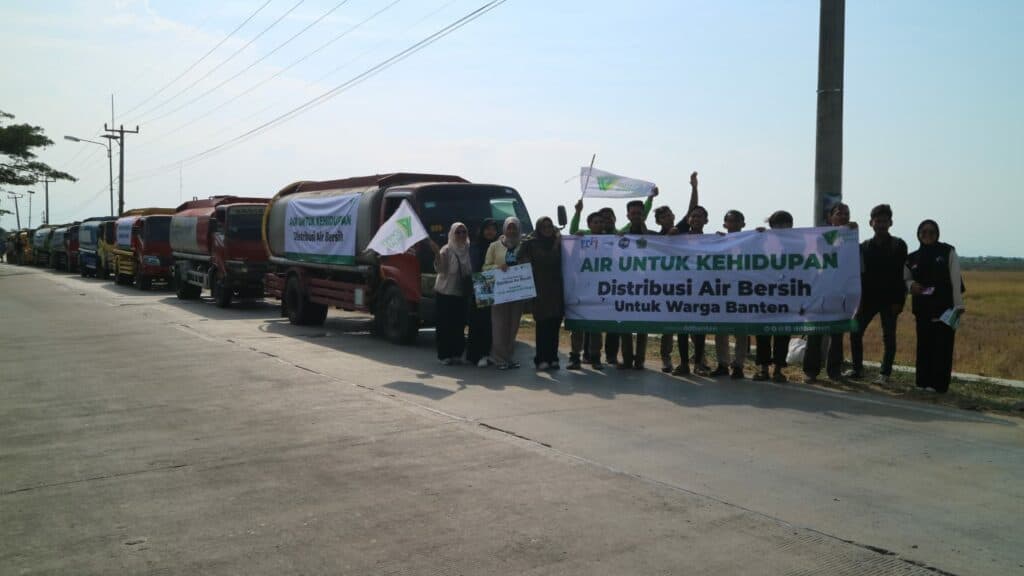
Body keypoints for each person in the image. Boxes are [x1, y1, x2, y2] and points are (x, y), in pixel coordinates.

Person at [844, 204, 908, 384]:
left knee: (889, 337)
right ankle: (857, 369)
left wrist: (900, 301)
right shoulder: (863, 247)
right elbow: (858, 275)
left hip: (890, 300)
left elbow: (901, 276)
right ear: (871, 223)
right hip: (868, 299)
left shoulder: (898, 245)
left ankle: (885, 374)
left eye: (884, 221)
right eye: (878, 221)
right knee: (855, 332)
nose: (881, 224)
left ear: (891, 223)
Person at [905, 219, 964, 393]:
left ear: (937, 234)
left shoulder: (947, 251)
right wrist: (910, 286)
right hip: (922, 309)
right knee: (924, 345)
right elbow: (905, 278)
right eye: (924, 232)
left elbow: (955, 279)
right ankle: (922, 382)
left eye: (932, 232)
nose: (928, 235)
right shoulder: (912, 257)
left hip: (945, 307)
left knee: (942, 347)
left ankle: (939, 385)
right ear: (918, 235)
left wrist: (958, 304)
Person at [803, 202, 858, 383]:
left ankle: (834, 372)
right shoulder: (821, 237)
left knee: (837, 335)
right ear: (830, 218)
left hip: (841, 295)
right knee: (815, 334)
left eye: (846, 214)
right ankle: (811, 372)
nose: (843, 217)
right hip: (820, 292)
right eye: (839, 213)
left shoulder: (851, 239)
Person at [653, 171, 701, 374]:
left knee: (694, 325)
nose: (667, 218)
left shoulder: (681, 228)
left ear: (674, 216)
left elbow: (692, 208)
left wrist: (694, 188)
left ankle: (698, 360)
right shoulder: (655, 237)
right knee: (669, 326)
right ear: (658, 221)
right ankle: (667, 358)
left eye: (669, 214)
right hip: (666, 286)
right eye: (662, 217)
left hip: (688, 284)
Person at [753, 210, 795, 382]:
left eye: (786, 224)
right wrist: (756, 236)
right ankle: (763, 369)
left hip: (787, 294)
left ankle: (778, 369)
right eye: (779, 225)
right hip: (764, 293)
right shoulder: (763, 241)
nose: (782, 228)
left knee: (783, 334)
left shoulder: (797, 242)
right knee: (762, 333)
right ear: (772, 226)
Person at [517, 216, 563, 370]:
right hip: (539, 289)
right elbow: (517, 258)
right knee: (543, 325)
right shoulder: (531, 243)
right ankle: (541, 358)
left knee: (554, 325)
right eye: (544, 227)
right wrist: (524, 243)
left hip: (557, 289)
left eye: (550, 226)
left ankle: (553, 358)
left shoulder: (559, 243)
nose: (547, 229)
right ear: (538, 229)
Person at [712, 209, 750, 378]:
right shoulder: (718, 241)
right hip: (722, 290)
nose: (733, 224)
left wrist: (762, 235)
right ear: (724, 224)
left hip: (743, 291)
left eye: (736, 221)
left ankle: (739, 365)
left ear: (743, 224)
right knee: (720, 331)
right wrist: (714, 241)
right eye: (730, 221)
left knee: (741, 332)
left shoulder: (751, 241)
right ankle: (722, 364)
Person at [484, 217, 525, 370]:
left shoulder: (524, 245)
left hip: (518, 291)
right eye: (509, 228)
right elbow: (485, 267)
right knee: (499, 326)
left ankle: (509, 357)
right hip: (499, 291)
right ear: (505, 229)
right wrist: (498, 266)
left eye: (514, 228)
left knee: (513, 326)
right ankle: (498, 358)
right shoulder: (494, 246)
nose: (512, 231)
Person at [428, 222, 472, 365]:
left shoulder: (469, 249)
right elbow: (440, 270)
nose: (461, 235)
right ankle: (444, 355)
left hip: (462, 293)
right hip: (445, 292)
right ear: (452, 234)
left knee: (459, 325)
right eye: (457, 232)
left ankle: (457, 353)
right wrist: (436, 254)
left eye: (463, 232)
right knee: (444, 325)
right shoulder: (446, 250)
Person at [568, 211, 606, 370]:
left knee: (596, 327)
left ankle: (595, 358)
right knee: (577, 326)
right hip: (580, 288)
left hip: (599, 289)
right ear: (589, 224)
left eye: (600, 222)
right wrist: (576, 240)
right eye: (594, 222)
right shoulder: (581, 239)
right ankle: (575, 357)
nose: (597, 224)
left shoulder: (609, 241)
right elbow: (572, 256)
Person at [619, 198, 652, 370]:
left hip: (647, 286)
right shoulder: (621, 237)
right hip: (626, 286)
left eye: (640, 213)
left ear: (643, 215)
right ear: (628, 215)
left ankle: (639, 360)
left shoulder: (653, 236)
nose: (637, 216)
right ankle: (626, 359)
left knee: (642, 325)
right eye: (633, 213)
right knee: (625, 324)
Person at [466, 219, 499, 367]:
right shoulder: (475, 246)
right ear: (482, 230)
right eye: (487, 229)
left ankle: (487, 353)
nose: (490, 232)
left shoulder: (499, 246)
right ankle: (476, 355)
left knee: (491, 323)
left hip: (497, 286)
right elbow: (476, 266)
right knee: (479, 322)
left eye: (493, 229)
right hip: (482, 284)